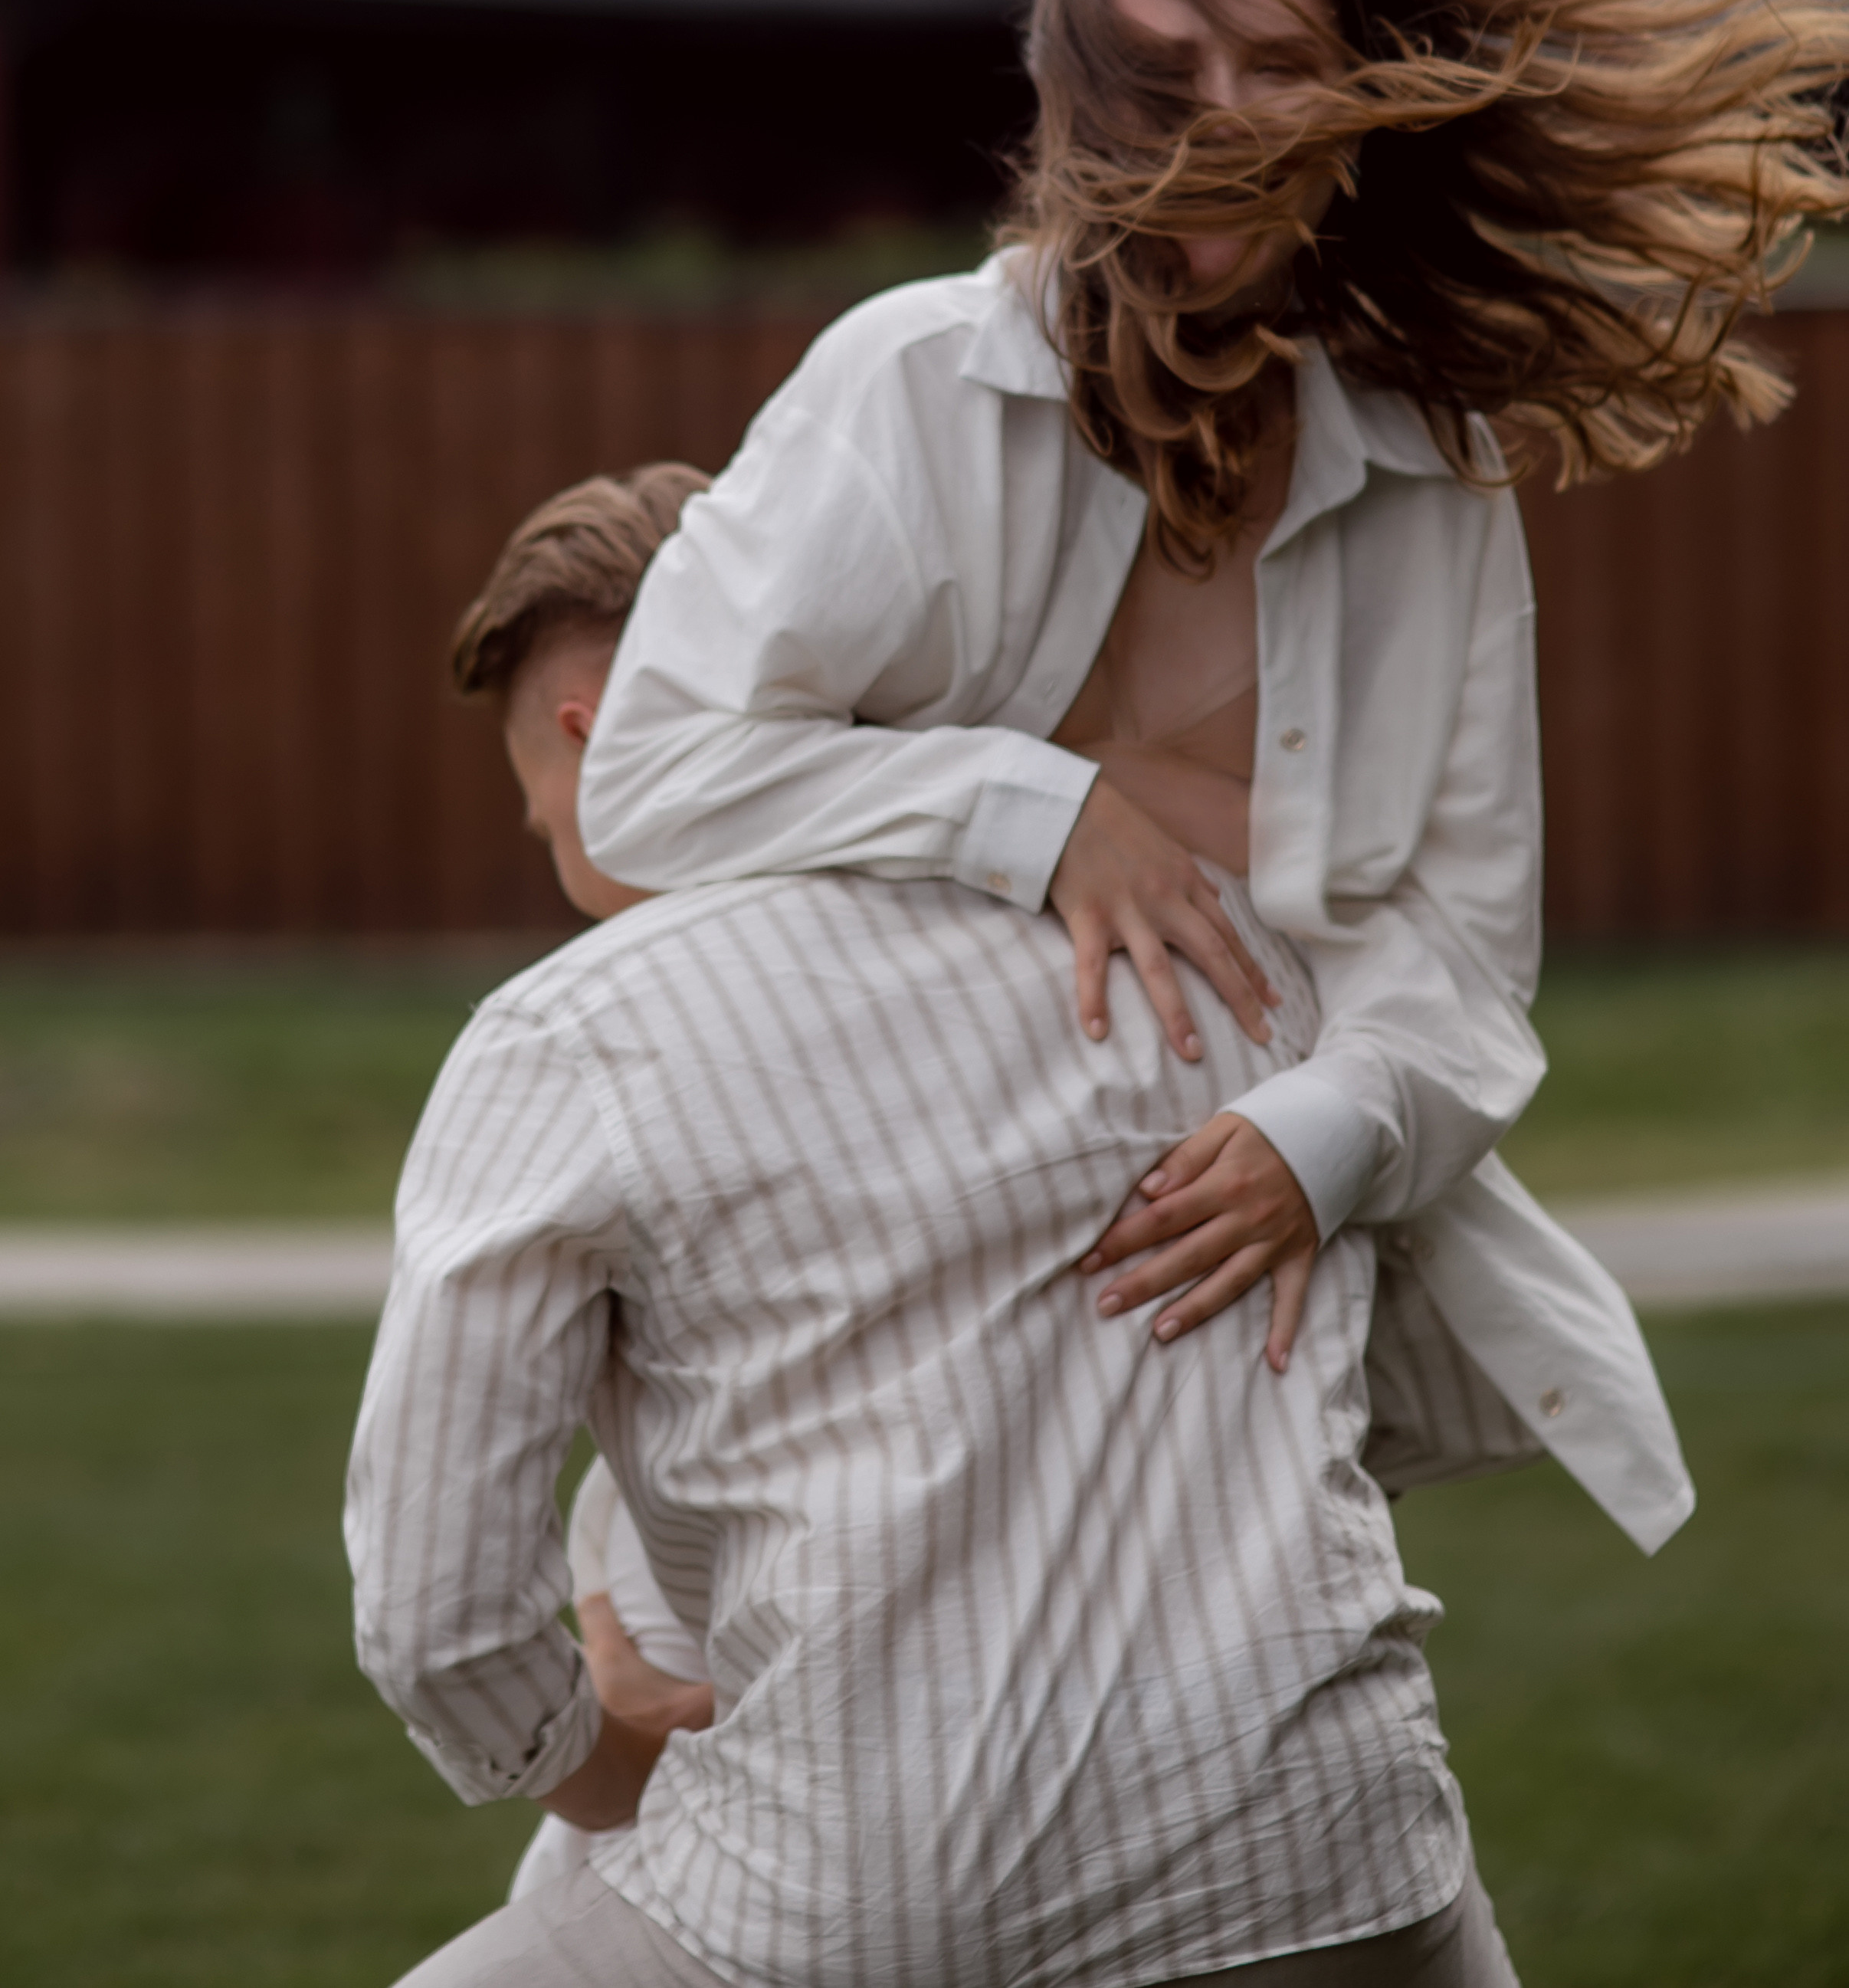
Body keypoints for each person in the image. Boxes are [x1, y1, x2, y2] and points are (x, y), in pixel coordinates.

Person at [576, 0, 1849, 1462]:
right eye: (1168, 83)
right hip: (854, 1292)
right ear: (1075, 111)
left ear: (1356, 101)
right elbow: (649, 783)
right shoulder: (913, 382)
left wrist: (1316, 1141)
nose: (1231, 122)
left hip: (1221, 1317)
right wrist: (1034, 809)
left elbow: (1463, 960)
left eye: (1277, 68)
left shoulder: (1431, 468)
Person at [347, 461, 1552, 1984]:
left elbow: (435, 1618)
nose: (568, 878)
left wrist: (592, 1764)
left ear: (589, 736)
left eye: (542, 826)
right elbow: (1427, 1334)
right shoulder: (1215, 927)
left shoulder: (566, 1036)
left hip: (875, 1904)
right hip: (1341, 1855)